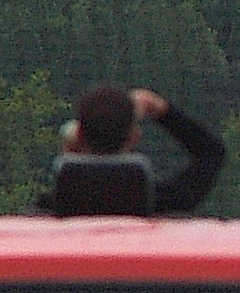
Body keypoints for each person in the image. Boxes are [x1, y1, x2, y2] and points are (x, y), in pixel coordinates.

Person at [38, 83, 225, 217]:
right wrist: (163, 111)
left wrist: (69, 154)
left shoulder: (47, 214)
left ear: (77, 135)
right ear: (134, 136)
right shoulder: (161, 204)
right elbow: (211, 153)